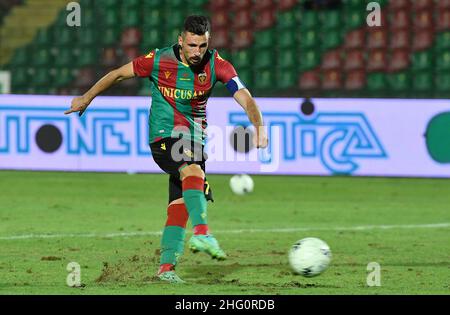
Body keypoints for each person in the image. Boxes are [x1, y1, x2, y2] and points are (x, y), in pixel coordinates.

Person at [64, 15, 268, 284]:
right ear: (180, 40)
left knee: (179, 204)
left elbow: (245, 97)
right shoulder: (158, 60)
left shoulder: (218, 65)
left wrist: (259, 127)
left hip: (195, 141)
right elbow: (117, 74)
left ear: (209, 43)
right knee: (192, 170)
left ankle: (166, 269)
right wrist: (86, 98)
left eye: (202, 46)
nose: (197, 52)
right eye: (192, 45)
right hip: (164, 137)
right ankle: (203, 233)